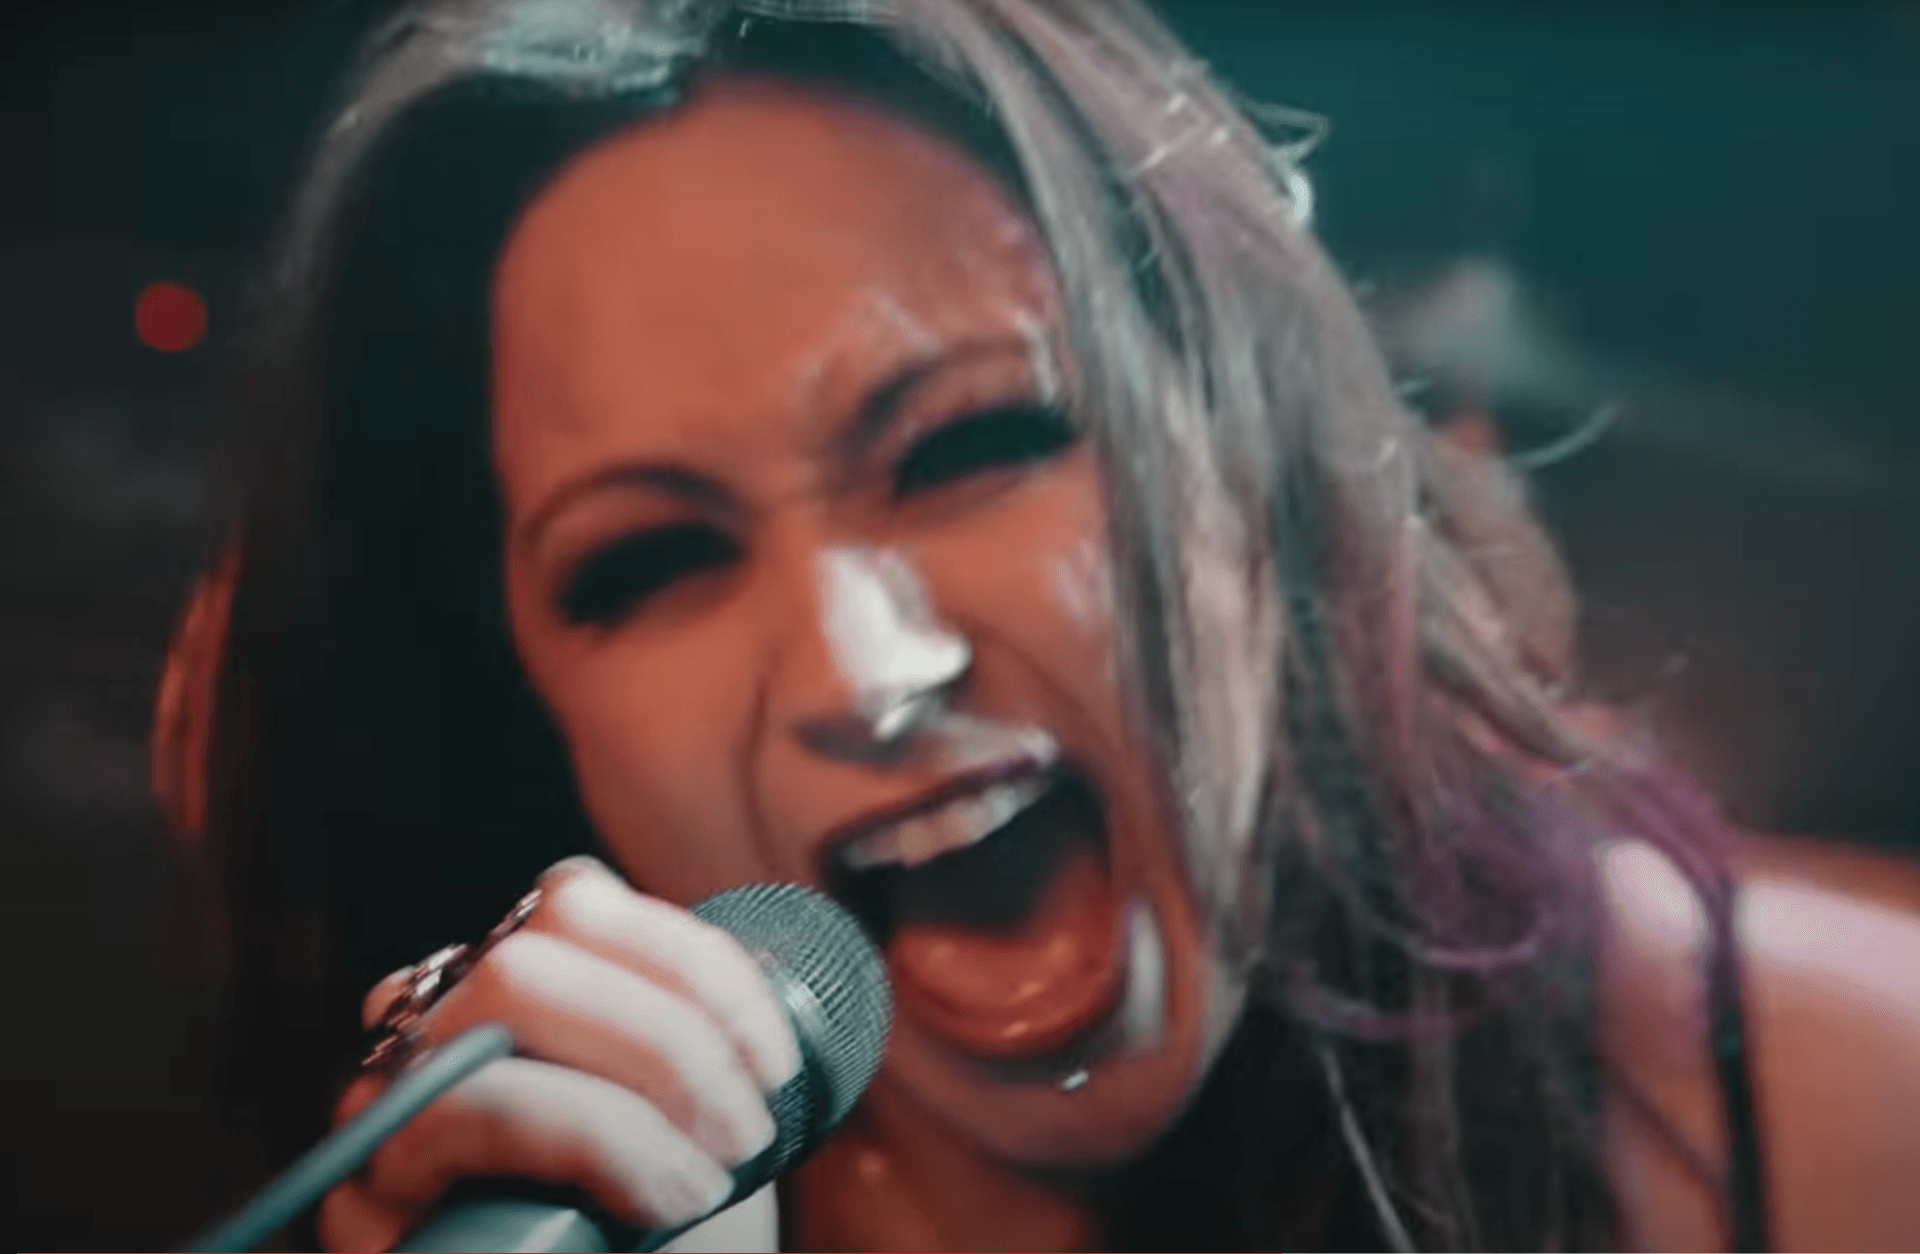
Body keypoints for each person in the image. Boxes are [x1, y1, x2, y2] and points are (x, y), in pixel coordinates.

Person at [149, 1, 1920, 1249]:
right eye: (648, 564)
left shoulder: (1837, 1111)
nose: (863, 673)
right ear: (543, 722)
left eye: (975, 441)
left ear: (1258, 462)